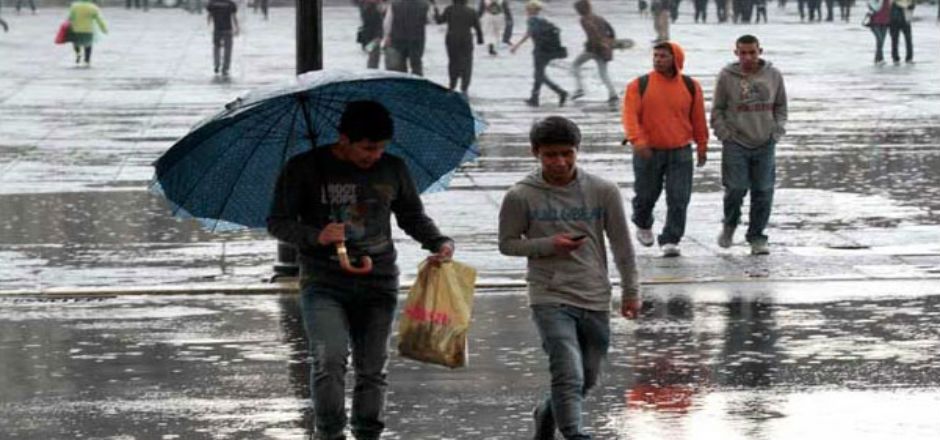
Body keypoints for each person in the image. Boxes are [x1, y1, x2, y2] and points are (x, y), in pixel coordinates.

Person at [268, 101, 455, 440]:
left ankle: (369, 432)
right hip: (324, 282)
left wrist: (438, 242)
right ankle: (329, 432)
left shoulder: (393, 169)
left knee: (372, 369)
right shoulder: (303, 168)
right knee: (329, 361)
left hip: (379, 282)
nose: (375, 155)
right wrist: (316, 235)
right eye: (368, 148)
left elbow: (411, 215)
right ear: (344, 139)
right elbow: (278, 222)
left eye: (382, 147)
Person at [498, 115, 640, 440]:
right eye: (551, 155)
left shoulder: (603, 191)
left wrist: (631, 291)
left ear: (577, 151)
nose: (560, 162)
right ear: (535, 153)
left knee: (587, 377)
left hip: (594, 294)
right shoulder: (521, 195)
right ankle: (574, 432)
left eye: (567, 153)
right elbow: (507, 244)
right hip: (549, 294)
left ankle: (547, 412)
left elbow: (622, 245)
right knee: (567, 369)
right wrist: (549, 245)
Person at [621, 41, 708, 258]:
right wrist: (637, 140)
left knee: (679, 197)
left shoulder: (690, 86)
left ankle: (671, 238)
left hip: (680, 151)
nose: (658, 60)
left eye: (663, 56)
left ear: (675, 59)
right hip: (648, 150)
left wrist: (702, 145)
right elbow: (630, 117)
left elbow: (698, 118)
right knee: (646, 194)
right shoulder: (639, 85)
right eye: (656, 56)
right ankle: (642, 221)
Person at [710, 35, 788, 255]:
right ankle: (730, 224)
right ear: (736, 53)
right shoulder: (727, 76)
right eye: (743, 53)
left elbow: (781, 106)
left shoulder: (773, 75)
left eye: (752, 52)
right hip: (736, 142)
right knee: (735, 188)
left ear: (760, 51)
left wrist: (777, 130)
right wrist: (724, 133)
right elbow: (718, 109)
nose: (748, 57)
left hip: (765, 141)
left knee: (763, 190)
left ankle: (757, 236)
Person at [510, 0, 569, 108]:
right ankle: (535, 97)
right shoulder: (543, 21)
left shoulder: (531, 20)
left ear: (530, 10)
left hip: (539, 51)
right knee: (539, 74)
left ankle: (560, 92)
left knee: (539, 75)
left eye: (527, 9)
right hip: (548, 51)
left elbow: (529, 34)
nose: (526, 10)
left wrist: (516, 46)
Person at [570, 0, 618, 105]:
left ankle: (579, 88)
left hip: (593, 48)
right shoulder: (599, 18)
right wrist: (609, 43)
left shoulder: (584, 19)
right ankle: (613, 94)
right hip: (604, 49)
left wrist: (599, 42)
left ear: (580, 10)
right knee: (603, 73)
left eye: (577, 9)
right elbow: (611, 30)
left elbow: (592, 32)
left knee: (575, 65)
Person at [434, 0, 484, 94]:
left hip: (452, 39)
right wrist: (480, 39)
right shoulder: (471, 11)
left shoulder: (449, 10)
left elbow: (439, 21)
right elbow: (477, 27)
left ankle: (452, 84)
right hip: (466, 39)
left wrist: (436, 10)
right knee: (467, 62)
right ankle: (464, 86)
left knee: (453, 61)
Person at [383, 0, 433, 76]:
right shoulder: (424, 4)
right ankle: (417, 84)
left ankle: (404, 84)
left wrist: (387, 36)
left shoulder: (394, 4)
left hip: (398, 38)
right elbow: (430, 20)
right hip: (416, 39)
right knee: (416, 64)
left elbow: (387, 22)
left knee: (400, 65)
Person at [67, 0, 108, 67]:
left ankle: (78, 53)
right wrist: (104, 29)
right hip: (88, 30)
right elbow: (99, 19)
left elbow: (70, 18)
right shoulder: (92, 7)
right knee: (88, 45)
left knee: (76, 43)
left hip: (76, 29)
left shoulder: (74, 6)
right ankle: (87, 60)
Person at [206, 0, 239, 78]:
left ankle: (216, 64)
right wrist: (237, 27)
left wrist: (208, 24)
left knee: (216, 47)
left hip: (217, 29)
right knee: (228, 49)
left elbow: (209, 15)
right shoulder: (231, 4)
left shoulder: (212, 3)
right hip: (228, 29)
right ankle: (225, 68)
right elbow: (234, 17)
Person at [359, 0, 386, 69]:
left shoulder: (366, 5)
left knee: (373, 55)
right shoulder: (367, 7)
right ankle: (372, 71)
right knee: (373, 55)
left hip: (372, 35)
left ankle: (371, 70)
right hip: (373, 36)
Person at [888, 0, 914, 64]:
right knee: (895, 40)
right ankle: (896, 57)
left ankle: (908, 57)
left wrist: (909, 6)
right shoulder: (893, 3)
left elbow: (912, 6)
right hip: (895, 21)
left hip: (904, 21)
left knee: (908, 40)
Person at [867, 0, 891, 65]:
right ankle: (881, 59)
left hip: (885, 22)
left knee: (881, 42)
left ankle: (876, 58)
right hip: (875, 22)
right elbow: (876, 8)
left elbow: (889, 10)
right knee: (880, 40)